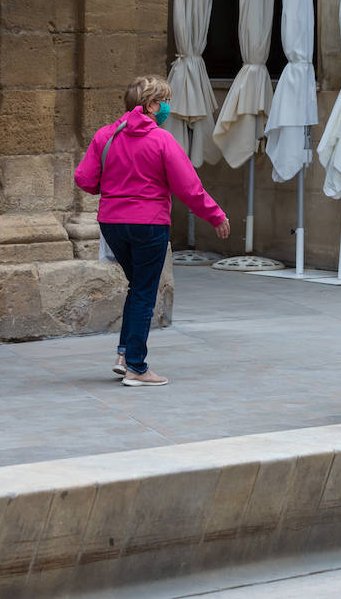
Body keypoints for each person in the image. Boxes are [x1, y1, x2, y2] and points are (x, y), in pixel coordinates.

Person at [75, 75, 230, 387]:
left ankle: (123, 353)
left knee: (138, 288)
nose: (166, 108)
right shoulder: (162, 140)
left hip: (113, 224)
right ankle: (136, 367)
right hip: (149, 224)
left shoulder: (105, 136)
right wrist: (215, 215)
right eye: (162, 102)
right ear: (149, 106)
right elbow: (189, 188)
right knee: (144, 291)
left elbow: (85, 179)